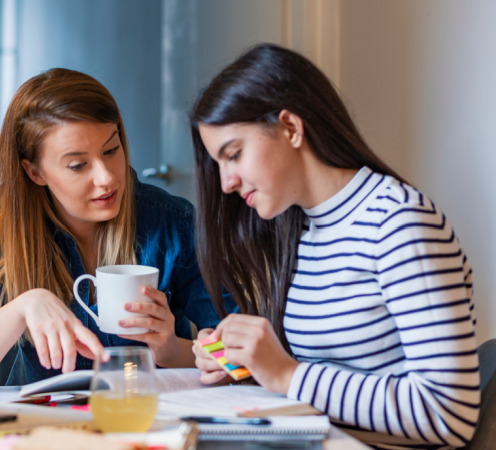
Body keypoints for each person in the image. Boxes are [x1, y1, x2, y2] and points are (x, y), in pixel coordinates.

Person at [190, 44, 479, 450]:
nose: (226, 183)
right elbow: (333, 378)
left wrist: (287, 375)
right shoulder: (304, 228)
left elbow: (449, 414)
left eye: (234, 154)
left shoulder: (399, 223)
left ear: (290, 128)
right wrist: (243, 362)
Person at [0, 68, 232, 385]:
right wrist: (23, 307)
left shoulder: (174, 223)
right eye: (78, 165)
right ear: (34, 172)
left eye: (111, 150)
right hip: (45, 426)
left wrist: (171, 349)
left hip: (151, 420)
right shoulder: (4, 239)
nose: (106, 177)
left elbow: (235, 360)